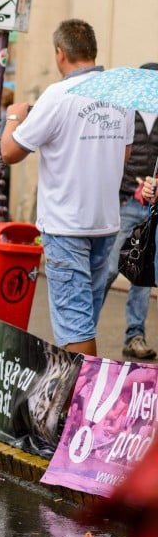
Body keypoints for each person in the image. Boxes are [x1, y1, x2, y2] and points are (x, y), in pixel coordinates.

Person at [1, 19, 134, 356]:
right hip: (104, 223)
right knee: (84, 315)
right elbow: (125, 155)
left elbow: (9, 152)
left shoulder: (58, 96)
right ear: (92, 51)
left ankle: (81, 397)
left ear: (60, 53)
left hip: (66, 225)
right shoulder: (121, 94)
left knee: (74, 321)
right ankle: (80, 390)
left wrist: (14, 117)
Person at [106, 67, 158, 360]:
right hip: (126, 202)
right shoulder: (125, 113)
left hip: (152, 207)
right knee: (111, 268)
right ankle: (84, 327)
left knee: (141, 274)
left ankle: (135, 336)